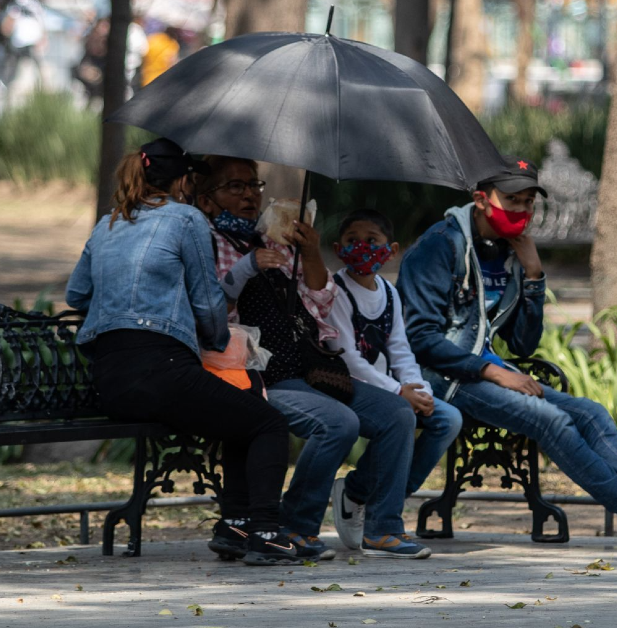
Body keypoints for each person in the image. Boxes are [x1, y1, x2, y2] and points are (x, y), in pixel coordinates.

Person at [399, 157, 617, 552]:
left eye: (529, 201)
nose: (522, 211)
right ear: (481, 199)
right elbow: (420, 338)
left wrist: (533, 276)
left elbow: (523, 345)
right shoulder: (440, 247)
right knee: (551, 419)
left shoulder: (507, 251)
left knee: (591, 412)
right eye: (512, 200)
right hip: (440, 376)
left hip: (483, 372)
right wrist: (491, 372)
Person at [66, 139, 299, 566]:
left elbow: (77, 293)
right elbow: (209, 301)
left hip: (110, 375)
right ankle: (265, 532)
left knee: (242, 412)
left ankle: (235, 526)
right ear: (183, 181)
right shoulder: (186, 218)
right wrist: (213, 341)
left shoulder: (107, 224)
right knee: (267, 423)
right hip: (161, 369)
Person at [197, 157, 433, 559]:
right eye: (234, 188)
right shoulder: (205, 240)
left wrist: (308, 250)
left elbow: (320, 302)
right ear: (207, 200)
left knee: (397, 415)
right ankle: (297, 526)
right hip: (257, 374)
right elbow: (210, 313)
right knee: (337, 423)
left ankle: (383, 527)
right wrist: (247, 268)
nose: (249, 195)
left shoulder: (273, 238)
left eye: (253, 185)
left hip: (310, 367)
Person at [326, 209, 464, 551]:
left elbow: (400, 350)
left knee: (447, 419)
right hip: (343, 384)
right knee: (400, 415)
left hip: (384, 388)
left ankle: (361, 492)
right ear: (337, 247)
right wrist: (397, 391)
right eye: (352, 241)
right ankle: (383, 524)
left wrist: (420, 390)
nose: (362, 247)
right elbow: (345, 356)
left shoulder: (389, 292)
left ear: (393, 249)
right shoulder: (336, 291)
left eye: (372, 241)